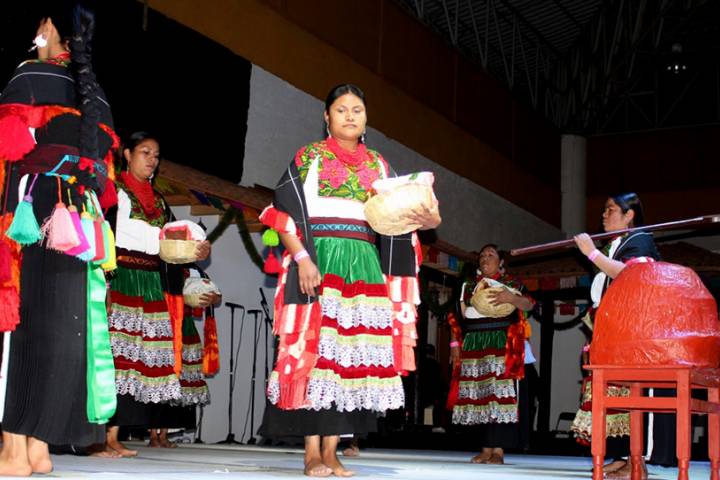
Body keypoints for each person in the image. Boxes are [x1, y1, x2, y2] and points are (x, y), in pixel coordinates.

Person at [258, 83, 440, 477]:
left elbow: (411, 214)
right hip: (321, 256)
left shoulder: (379, 165)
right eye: (341, 109)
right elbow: (281, 214)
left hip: (363, 263)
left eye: (357, 109)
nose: (350, 116)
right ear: (327, 116)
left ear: (366, 118)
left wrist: (427, 218)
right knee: (317, 351)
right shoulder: (309, 157)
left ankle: (333, 449)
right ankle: (311, 452)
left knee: (347, 358)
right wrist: (303, 258)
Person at [0, 6, 119, 475]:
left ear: (46, 35)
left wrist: (39, 53)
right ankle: (39, 446)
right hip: (80, 217)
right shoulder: (94, 95)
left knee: (26, 327)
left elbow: (10, 148)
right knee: (65, 328)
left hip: (35, 208)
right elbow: (104, 177)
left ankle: (15, 447)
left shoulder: (30, 75)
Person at [101, 132, 213, 456]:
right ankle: (103, 436)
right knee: (116, 359)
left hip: (151, 282)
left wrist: (197, 247)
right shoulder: (115, 191)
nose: (152, 159)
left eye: (156, 154)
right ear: (127, 154)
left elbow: (176, 238)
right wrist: (105, 282)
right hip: (121, 276)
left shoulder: (160, 200)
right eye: (145, 152)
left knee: (140, 361)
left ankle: (116, 435)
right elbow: (106, 232)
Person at [570, 193, 660, 480]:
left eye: (610, 210)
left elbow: (629, 275)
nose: (604, 216)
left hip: (633, 331)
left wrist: (591, 253)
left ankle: (638, 463)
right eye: (604, 210)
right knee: (615, 395)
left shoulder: (641, 239)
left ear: (629, 214)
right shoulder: (616, 245)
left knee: (633, 393)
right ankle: (623, 457)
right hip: (611, 329)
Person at [448, 244, 534, 465]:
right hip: (474, 341)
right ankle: (485, 448)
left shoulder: (511, 284)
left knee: (499, 395)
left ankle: (499, 451)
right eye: (482, 255)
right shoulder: (468, 286)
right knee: (479, 395)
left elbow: (529, 304)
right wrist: (455, 342)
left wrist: (511, 298)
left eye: (491, 255)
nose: (485, 258)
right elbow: (456, 315)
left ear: (501, 263)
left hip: (502, 340)